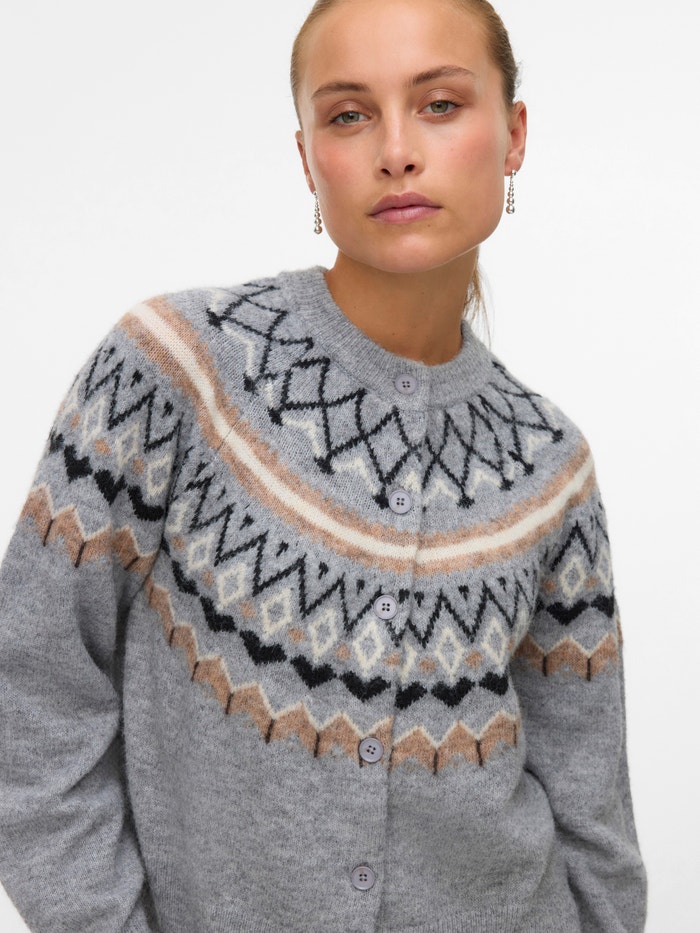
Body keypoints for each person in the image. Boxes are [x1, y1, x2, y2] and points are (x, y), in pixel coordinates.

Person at [0, 0, 647, 930]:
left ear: (513, 136)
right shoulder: (179, 370)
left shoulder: (551, 468)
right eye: (349, 115)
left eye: (440, 104)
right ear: (308, 158)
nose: (397, 151)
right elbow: (30, 698)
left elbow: (595, 824)